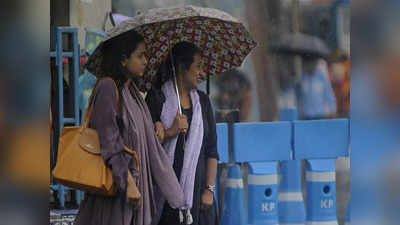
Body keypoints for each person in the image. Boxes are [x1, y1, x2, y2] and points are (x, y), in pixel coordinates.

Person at [74, 30, 184, 225]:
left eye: (146, 56)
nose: (145, 61)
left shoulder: (132, 93)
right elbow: (110, 142)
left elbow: (141, 142)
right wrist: (129, 182)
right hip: (114, 193)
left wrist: (158, 129)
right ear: (123, 60)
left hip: (133, 194)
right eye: (140, 55)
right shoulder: (108, 88)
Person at [145, 42, 219, 225]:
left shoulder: (203, 102)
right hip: (165, 197)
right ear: (181, 67)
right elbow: (146, 146)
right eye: (198, 66)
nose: (202, 73)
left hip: (199, 199)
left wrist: (209, 190)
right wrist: (171, 131)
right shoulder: (157, 99)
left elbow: (211, 150)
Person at [298, 55, 337, 120]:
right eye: (308, 62)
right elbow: (299, 97)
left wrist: (333, 110)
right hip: (305, 116)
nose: (310, 65)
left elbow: (329, 94)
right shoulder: (302, 78)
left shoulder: (321, 77)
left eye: (313, 62)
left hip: (319, 115)